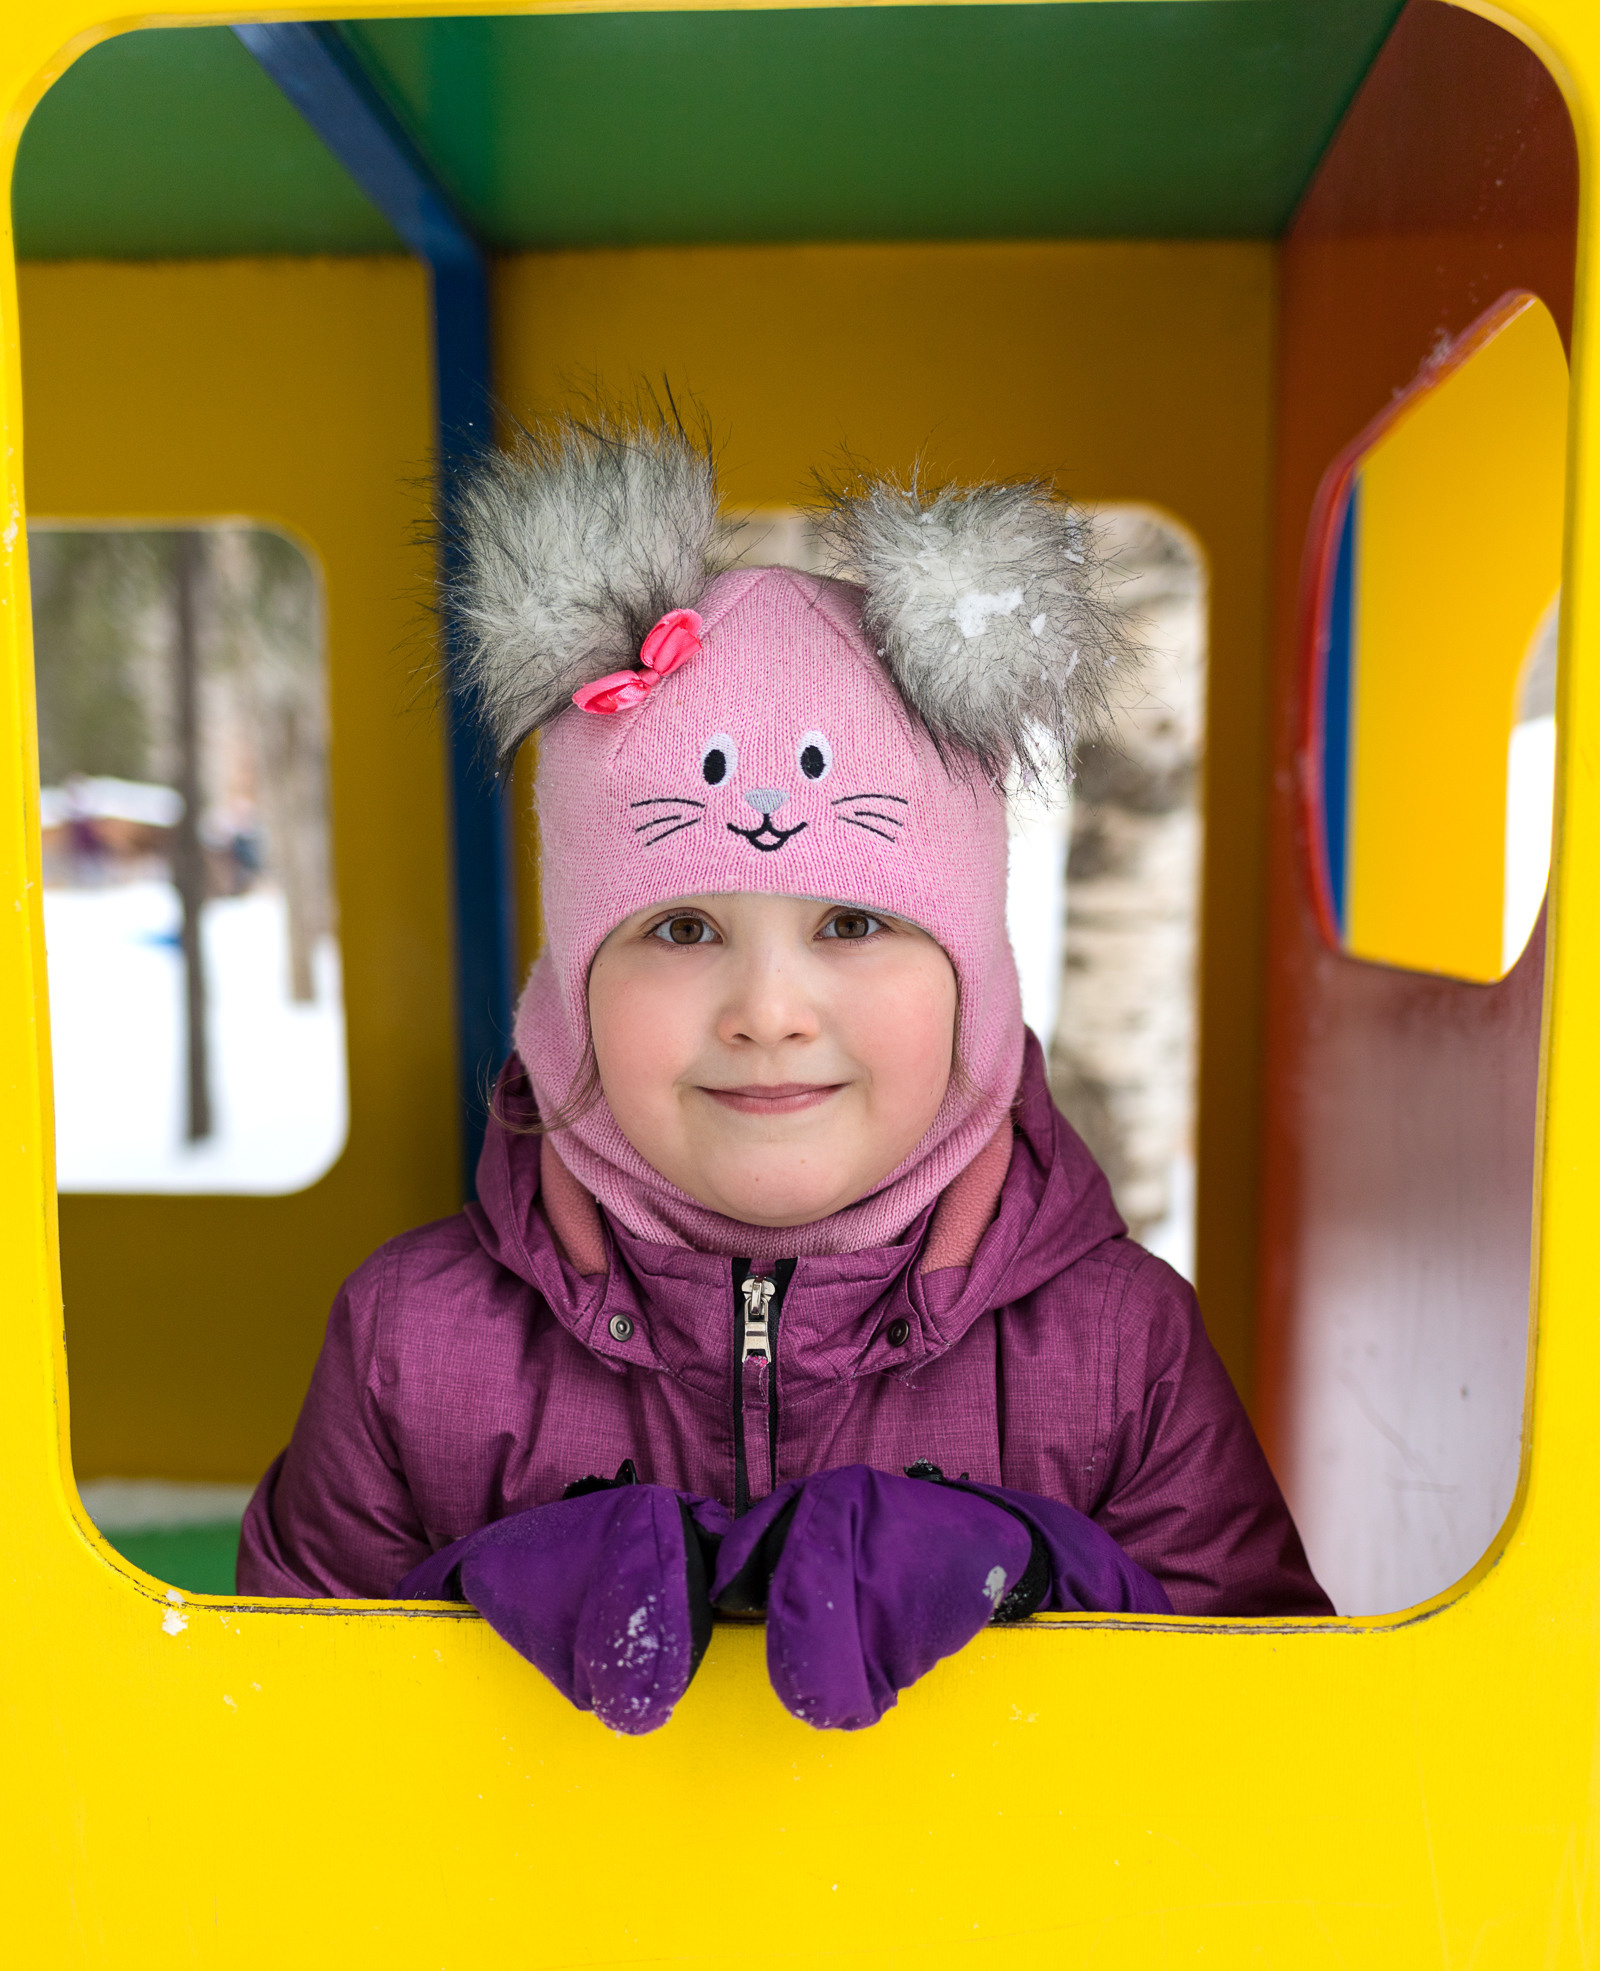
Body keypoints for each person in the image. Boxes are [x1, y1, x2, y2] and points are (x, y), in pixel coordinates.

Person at [238, 412, 1330, 1730]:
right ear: (570, 988)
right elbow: (275, 1748)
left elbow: (1273, 1742)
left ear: (970, 975)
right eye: (682, 929)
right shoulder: (410, 1350)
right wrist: (464, 1616)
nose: (766, 1010)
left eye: (853, 926)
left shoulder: (1118, 1351)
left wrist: (1047, 1577)